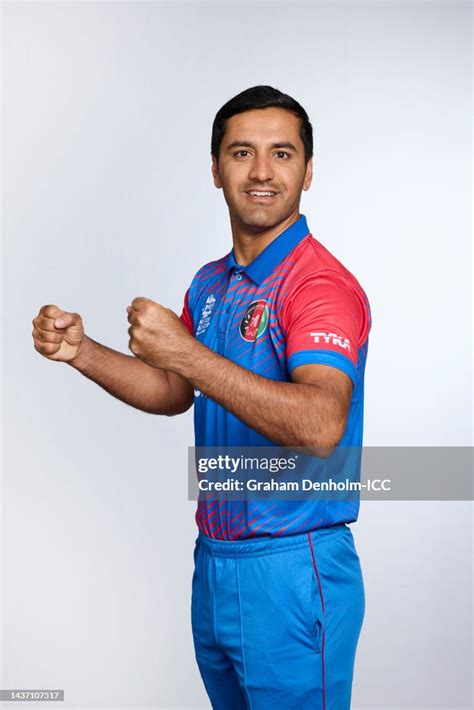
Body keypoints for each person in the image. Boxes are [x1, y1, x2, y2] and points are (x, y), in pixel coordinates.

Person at [32, 85, 371, 709]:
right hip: (215, 561)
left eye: (283, 154)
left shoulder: (318, 284)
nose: (263, 172)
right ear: (216, 169)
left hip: (293, 566)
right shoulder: (212, 282)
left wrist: (184, 350)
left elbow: (323, 424)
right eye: (242, 152)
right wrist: (82, 351)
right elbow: (173, 390)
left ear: (309, 170)